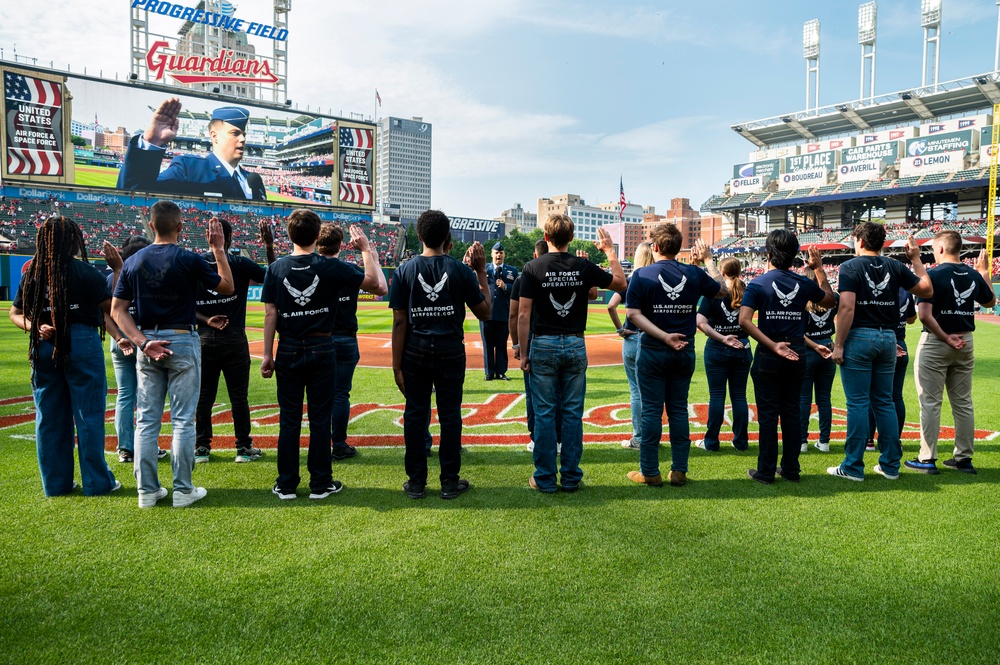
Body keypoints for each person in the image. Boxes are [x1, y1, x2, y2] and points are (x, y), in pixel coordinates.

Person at [112, 201, 235, 508]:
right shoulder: (189, 259)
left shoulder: (134, 261)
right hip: (182, 339)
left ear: (151, 226)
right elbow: (228, 287)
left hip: (148, 342)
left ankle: (147, 492)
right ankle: (182, 490)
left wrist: (142, 342)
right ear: (181, 227)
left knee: (147, 421)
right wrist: (218, 249)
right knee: (182, 421)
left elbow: (118, 311)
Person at [260, 210, 383, 500]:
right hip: (322, 348)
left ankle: (287, 484)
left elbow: (270, 314)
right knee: (319, 418)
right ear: (317, 236)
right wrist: (366, 250)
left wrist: (267, 354)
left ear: (289, 236)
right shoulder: (328, 267)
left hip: (287, 347)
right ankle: (320, 483)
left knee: (289, 419)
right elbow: (376, 285)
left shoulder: (276, 269)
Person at [9, 217, 120, 497]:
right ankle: (97, 483)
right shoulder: (84, 272)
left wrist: (34, 326)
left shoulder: (32, 273)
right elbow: (114, 308)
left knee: (49, 417)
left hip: (43, 344)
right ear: (73, 241)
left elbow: (16, 313)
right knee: (88, 416)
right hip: (81, 340)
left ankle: (56, 485)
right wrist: (117, 269)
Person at [518, 215, 626, 493]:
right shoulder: (583, 266)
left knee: (543, 414)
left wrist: (524, 353)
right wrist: (610, 251)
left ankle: (544, 478)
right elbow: (620, 284)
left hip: (542, 343)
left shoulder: (532, 267)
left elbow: (523, 314)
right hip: (575, 344)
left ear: (545, 235)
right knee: (572, 413)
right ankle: (570, 477)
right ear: (572, 236)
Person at [389, 210, 491, 499]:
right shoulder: (460, 270)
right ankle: (449, 482)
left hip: (414, 353)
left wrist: (396, 366)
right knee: (450, 416)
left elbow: (399, 322)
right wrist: (481, 270)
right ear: (448, 238)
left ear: (419, 236)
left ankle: (416, 482)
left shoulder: (404, 270)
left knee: (415, 415)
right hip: (449, 351)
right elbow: (485, 312)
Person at [829, 223, 932, 482]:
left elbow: (847, 309)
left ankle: (853, 466)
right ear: (882, 243)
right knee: (884, 402)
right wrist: (917, 260)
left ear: (860, 242)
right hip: (889, 338)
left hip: (859, 338)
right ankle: (890, 466)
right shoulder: (896, 267)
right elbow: (927, 290)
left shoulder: (850, 267)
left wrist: (839, 344)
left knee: (858, 404)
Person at [625, 230, 728, 487]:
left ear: (656, 246)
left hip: (652, 349)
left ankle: (650, 471)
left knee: (651, 412)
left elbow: (633, 314)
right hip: (684, 350)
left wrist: (663, 336)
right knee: (678, 411)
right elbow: (722, 290)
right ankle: (679, 470)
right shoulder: (693, 273)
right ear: (678, 247)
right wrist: (708, 260)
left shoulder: (641, 274)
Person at [739, 232, 837, 484]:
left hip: (768, 356)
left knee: (769, 415)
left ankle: (766, 470)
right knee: (792, 412)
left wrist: (773, 345)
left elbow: (744, 321)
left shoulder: (758, 284)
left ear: (768, 254)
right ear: (795, 255)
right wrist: (819, 270)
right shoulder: (802, 283)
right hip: (797, 354)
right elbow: (829, 301)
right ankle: (791, 469)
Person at [905, 232, 995, 475]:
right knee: (963, 402)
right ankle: (964, 458)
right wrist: (985, 273)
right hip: (966, 341)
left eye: (934, 248)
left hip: (937, 341)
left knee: (931, 402)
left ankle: (927, 458)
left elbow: (924, 315)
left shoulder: (933, 275)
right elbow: (990, 302)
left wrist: (945, 337)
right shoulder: (974, 274)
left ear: (941, 249)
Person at [194, 218, 275, 464]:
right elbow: (274, 276)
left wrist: (206, 319)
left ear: (209, 236)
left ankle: (201, 448)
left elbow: (182, 304)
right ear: (229, 239)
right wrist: (269, 246)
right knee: (238, 396)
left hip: (203, 338)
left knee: (204, 396)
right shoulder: (240, 263)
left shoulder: (193, 263)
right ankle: (242, 448)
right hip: (234, 337)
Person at [317, 223, 388, 461]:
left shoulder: (309, 267)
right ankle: (338, 444)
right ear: (340, 245)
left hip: (318, 339)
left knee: (318, 395)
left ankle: (318, 446)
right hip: (345, 338)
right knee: (340, 394)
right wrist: (369, 253)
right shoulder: (347, 269)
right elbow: (380, 288)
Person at [117, 100, 267, 200]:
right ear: (214, 136)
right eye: (235, 133)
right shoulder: (190, 169)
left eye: (244, 134)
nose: (242, 140)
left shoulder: (253, 180)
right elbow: (135, 193)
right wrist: (152, 142)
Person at [103, 235, 167, 463]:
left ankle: (125, 448)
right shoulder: (147, 276)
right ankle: (148, 445)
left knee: (125, 395)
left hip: (118, 339)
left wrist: (119, 337)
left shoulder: (111, 277)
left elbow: (106, 313)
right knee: (147, 395)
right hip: (143, 338)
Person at [695, 256, 751, 452]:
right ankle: (741, 442)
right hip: (742, 347)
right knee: (739, 397)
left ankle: (711, 442)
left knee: (717, 396)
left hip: (717, 348)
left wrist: (721, 337)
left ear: (722, 273)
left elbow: (700, 322)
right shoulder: (748, 291)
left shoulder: (713, 293)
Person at [607, 241, 654, 450]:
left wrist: (619, 330)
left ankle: (638, 438)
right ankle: (651, 437)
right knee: (652, 391)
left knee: (636, 391)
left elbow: (611, 305)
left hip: (632, 338)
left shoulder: (631, 279)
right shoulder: (657, 280)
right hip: (653, 339)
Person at [866, 287, 917, 452]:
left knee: (871, 394)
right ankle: (896, 439)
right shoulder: (906, 292)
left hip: (881, 343)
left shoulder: (879, 290)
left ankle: (868, 439)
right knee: (896, 397)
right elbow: (912, 319)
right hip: (900, 343)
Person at [799, 266, 839, 454]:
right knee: (824, 399)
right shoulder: (833, 300)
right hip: (828, 350)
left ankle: (802, 442)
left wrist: (814, 346)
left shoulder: (800, 301)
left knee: (803, 399)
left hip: (808, 351)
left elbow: (798, 333)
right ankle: (824, 442)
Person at [481, 242, 518, 381]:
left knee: (501, 344)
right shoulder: (484, 270)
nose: (498, 255)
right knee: (488, 344)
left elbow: (516, 290)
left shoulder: (512, 271)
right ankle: (489, 373)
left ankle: (501, 372)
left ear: (504, 255)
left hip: (503, 314)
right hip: (487, 313)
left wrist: (505, 287)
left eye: (501, 253)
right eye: (496, 253)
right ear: (491, 254)